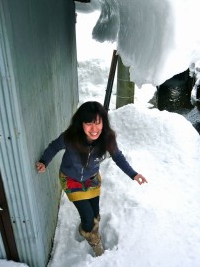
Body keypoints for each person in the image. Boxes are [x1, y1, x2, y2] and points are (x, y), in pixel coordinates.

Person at [36, 101, 147, 256]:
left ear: (103, 123)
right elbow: (54, 146)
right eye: (88, 124)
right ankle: (94, 240)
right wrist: (44, 161)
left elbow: (118, 157)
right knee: (88, 218)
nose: (94, 129)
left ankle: (90, 228)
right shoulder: (70, 137)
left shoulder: (107, 138)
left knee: (95, 215)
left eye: (98, 123)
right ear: (81, 124)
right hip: (70, 179)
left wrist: (134, 174)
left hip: (92, 179)